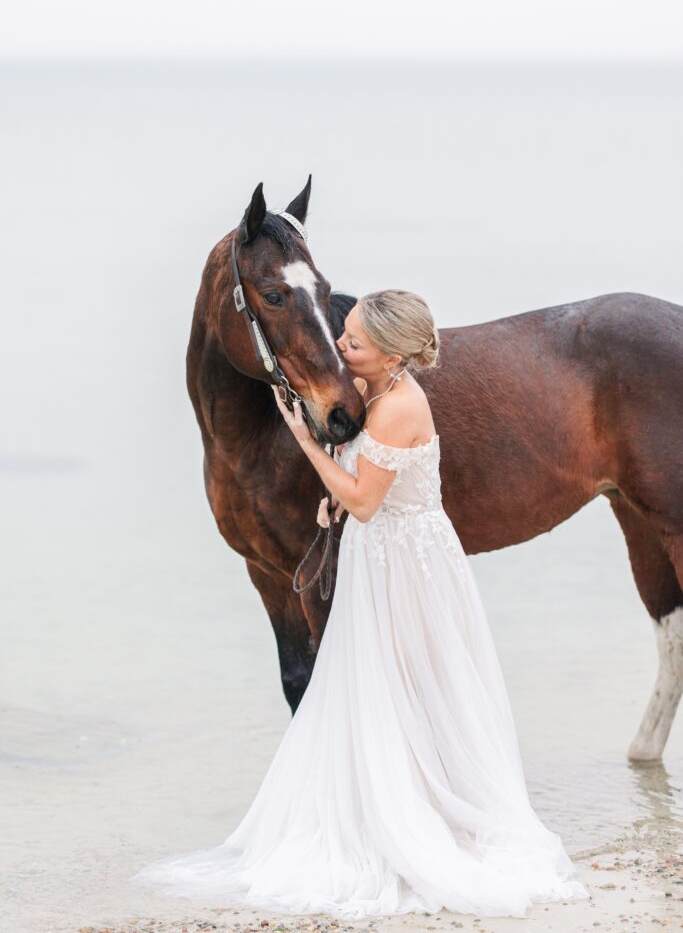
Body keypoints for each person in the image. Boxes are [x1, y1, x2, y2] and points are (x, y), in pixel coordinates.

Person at [133, 290, 590, 918]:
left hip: (403, 561)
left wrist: (306, 441)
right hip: (387, 552)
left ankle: (406, 814)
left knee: (395, 679)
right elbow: (374, 487)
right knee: (380, 682)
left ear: (391, 353)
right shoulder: (377, 394)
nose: (340, 348)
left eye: (352, 341)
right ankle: (387, 798)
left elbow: (369, 499)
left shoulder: (400, 406)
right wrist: (339, 495)